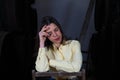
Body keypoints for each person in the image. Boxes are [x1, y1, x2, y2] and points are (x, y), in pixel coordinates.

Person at [35, 16, 83, 80]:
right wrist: (41, 43)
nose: (55, 35)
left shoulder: (74, 44)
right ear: (46, 36)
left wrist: (50, 62)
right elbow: (41, 69)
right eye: (49, 33)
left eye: (56, 30)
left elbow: (76, 68)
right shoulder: (46, 50)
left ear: (60, 29)